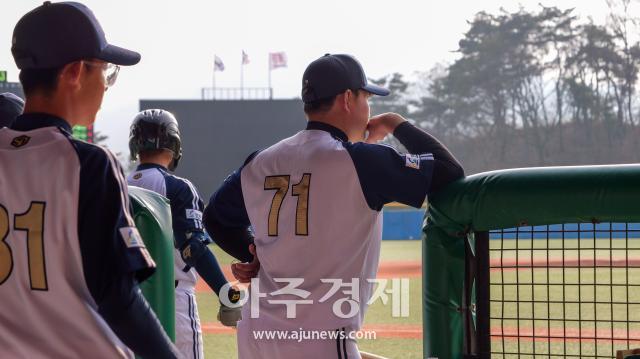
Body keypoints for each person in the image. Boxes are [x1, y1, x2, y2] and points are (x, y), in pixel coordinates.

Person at [203, 53, 465, 359]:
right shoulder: (360, 161)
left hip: (257, 335)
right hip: (322, 339)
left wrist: (251, 250)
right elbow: (450, 172)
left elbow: (216, 218)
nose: (370, 108)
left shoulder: (261, 160)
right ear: (347, 99)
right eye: (367, 97)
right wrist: (395, 123)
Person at [0, 2, 178, 358]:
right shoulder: (87, 164)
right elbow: (118, 297)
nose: (107, 84)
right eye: (106, 71)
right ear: (75, 72)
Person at [127, 109, 243, 359]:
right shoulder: (178, 187)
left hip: (125, 302)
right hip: (171, 300)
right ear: (174, 144)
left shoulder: (117, 183)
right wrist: (226, 293)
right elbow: (194, 248)